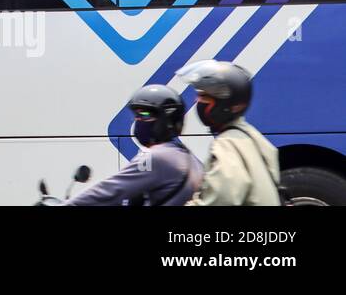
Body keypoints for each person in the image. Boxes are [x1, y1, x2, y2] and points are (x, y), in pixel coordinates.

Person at [66, 84, 202, 206]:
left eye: (145, 114)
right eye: (136, 115)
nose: (138, 120)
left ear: (166, 119)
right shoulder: (190, 159)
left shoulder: (157, 157)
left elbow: (110, 190)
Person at [180, 60, 282, 206]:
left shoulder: (226, 145)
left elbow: (222, 200)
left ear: (227, 105)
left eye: (204, 97)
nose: (198, 101)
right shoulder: (250, 136)